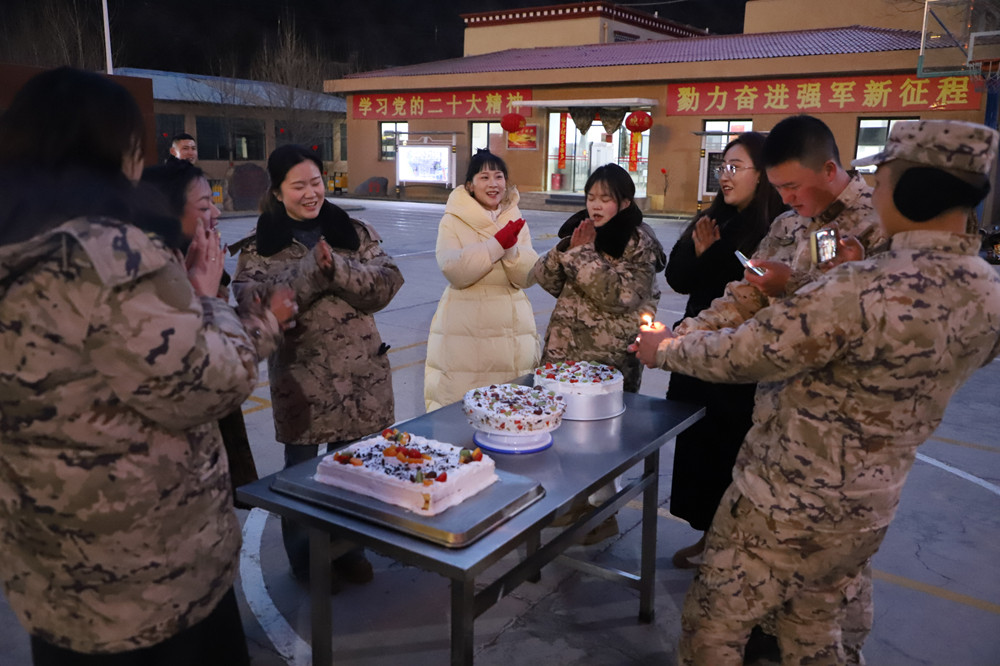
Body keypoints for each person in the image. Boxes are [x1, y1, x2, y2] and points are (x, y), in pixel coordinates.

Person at [632, 119, 1000, 665]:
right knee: (816, 624)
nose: (874, 188)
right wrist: (691, 328)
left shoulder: (864, 278)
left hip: (789, 489)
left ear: (911, 190)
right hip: (871, 496)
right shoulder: (988, 291)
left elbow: (758, 348)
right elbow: (750, 296)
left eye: (883, 179)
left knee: (716, 622)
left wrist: (666, 349)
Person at [0, 67, 291, 666]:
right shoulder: (109, 256)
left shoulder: (16, 248)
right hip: (149, 577)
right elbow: (208, 384)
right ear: (113, 151)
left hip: (52, 569)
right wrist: (212, 302)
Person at [671, 115, 889, 663]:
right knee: (746, 585)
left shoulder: (879, 224)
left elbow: (875, 324)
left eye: (793, 186)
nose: (787, 199)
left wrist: (793, 285)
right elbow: (745, 294)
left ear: (830, 169)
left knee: (828, 601)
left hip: (847, 447)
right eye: (779, 188)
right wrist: (686, 332)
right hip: (775, 429)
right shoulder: (791, 225)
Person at [233, 144, 404, 591]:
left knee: (357, 472)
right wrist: (312, 270)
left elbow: (387, 283)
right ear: (277, 191)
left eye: (316, 182)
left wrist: (338, 269)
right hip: (302, 382)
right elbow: (253, 302)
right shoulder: (259, 246)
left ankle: (350, 552)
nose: (311, 193)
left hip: (361, 376)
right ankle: (307, 563)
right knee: (302, 478)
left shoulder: (353, 231)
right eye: (298, 186)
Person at [664, 132, 785, 569]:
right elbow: (678, 277)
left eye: (736, 167)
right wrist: (698, 254)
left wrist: (712, 256)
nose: (726, 176)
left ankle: (730, 545)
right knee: (698, 449)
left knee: (729, 453)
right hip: (696, 348)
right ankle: (708, 537)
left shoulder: (775, 229)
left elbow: (747, 292)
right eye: (723, 167)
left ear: (763, 174)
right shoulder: (712, 218)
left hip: (738, 362)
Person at [533, 163, 664, 544]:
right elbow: (546, 279)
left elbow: (621, 296)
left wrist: (582, 254)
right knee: (565, 437)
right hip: (565, 356)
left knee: (601, 444)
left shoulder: (638, 243)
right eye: (591, 197)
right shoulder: (583, 233)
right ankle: (576, 504)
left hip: (606, 362)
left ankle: (604, 514)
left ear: (625, 202)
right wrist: (566, 249)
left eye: (605, 198)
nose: (595, 205)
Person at [141, 160, 260, 507]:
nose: (217, 214)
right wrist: (205, 303)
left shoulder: (193, 267)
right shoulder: (145, 285)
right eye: (205, 206)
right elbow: (224, 376)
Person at [424, 149, 540, 411]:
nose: (493, 184)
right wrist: (496, 245)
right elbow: (453, 269)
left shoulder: (516, 217)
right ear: (470, 185)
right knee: (462, 406)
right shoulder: (453, 220)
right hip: (465, 326)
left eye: (499, 177)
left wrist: (511, 250)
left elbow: (527, 274)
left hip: (511, 325)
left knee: (510, 408)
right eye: (484, 177)